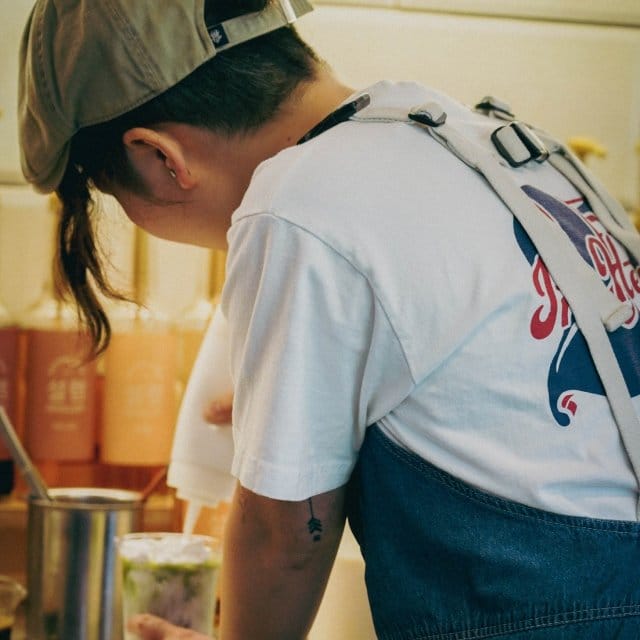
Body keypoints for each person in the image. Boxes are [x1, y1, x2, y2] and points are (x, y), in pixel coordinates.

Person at [18, 1, 640, 639]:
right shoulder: (486, 138)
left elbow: (282, 539)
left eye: (117, 198)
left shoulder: (297, 203)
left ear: (160, 157)